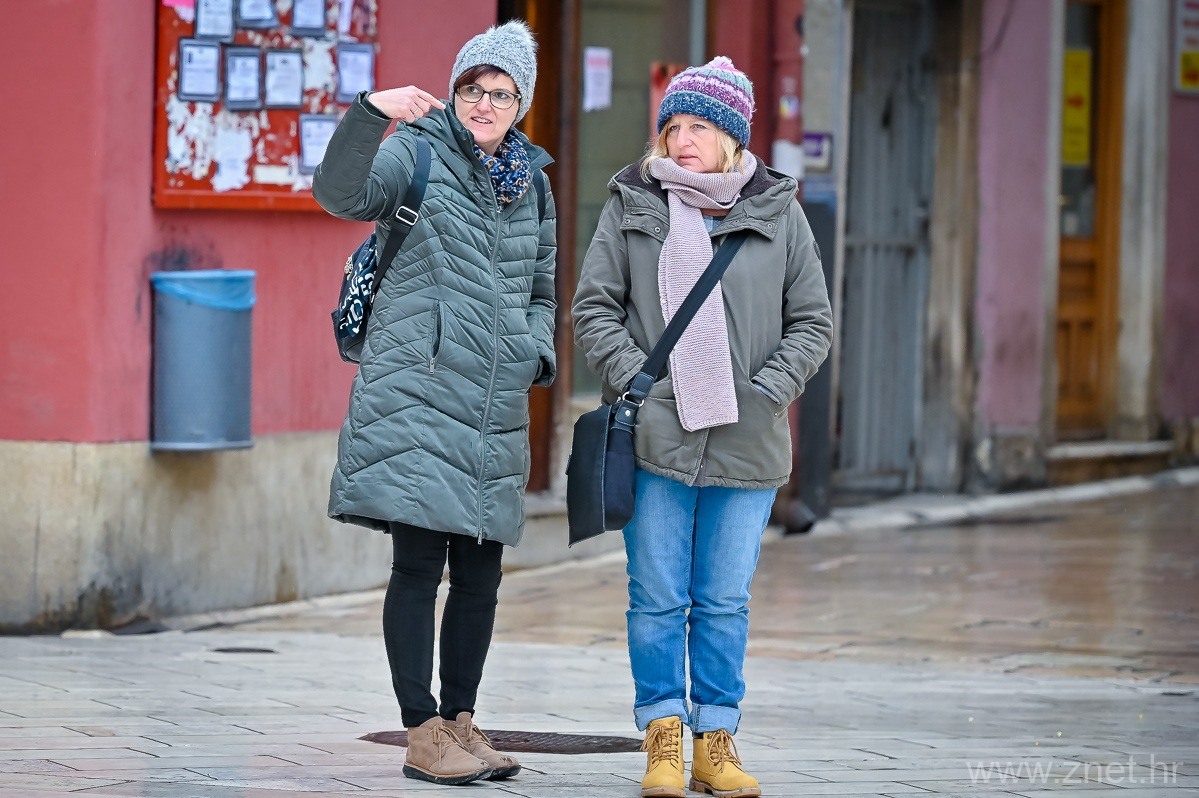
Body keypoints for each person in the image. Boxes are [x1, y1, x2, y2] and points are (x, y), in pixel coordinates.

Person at [572, 57, 833, 798]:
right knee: (656, 596)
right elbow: (593, 309)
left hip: (748, 441)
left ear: (732, 138)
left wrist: (768, 391)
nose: (683, 141)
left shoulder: (777, 211)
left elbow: (812, 322)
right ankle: (662, 736)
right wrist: (642, 383)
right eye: (673, 127)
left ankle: (715, 740)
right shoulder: (632, 203)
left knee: (722, 601)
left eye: (700, 127)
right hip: (655, 437)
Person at [312, 21, 556, 787]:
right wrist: (369, 112)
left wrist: (533, 351)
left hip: (492, 403)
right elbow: (339, 194)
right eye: (471, 89)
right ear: (453, 93)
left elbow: (541, 286)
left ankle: (460, 722)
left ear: (520, 105)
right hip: (418, 394)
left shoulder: (532, 182)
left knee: (481, 573)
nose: (484, 104)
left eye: (501, 94)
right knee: (419, 565)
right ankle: (421, 731)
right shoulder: (414, 151)